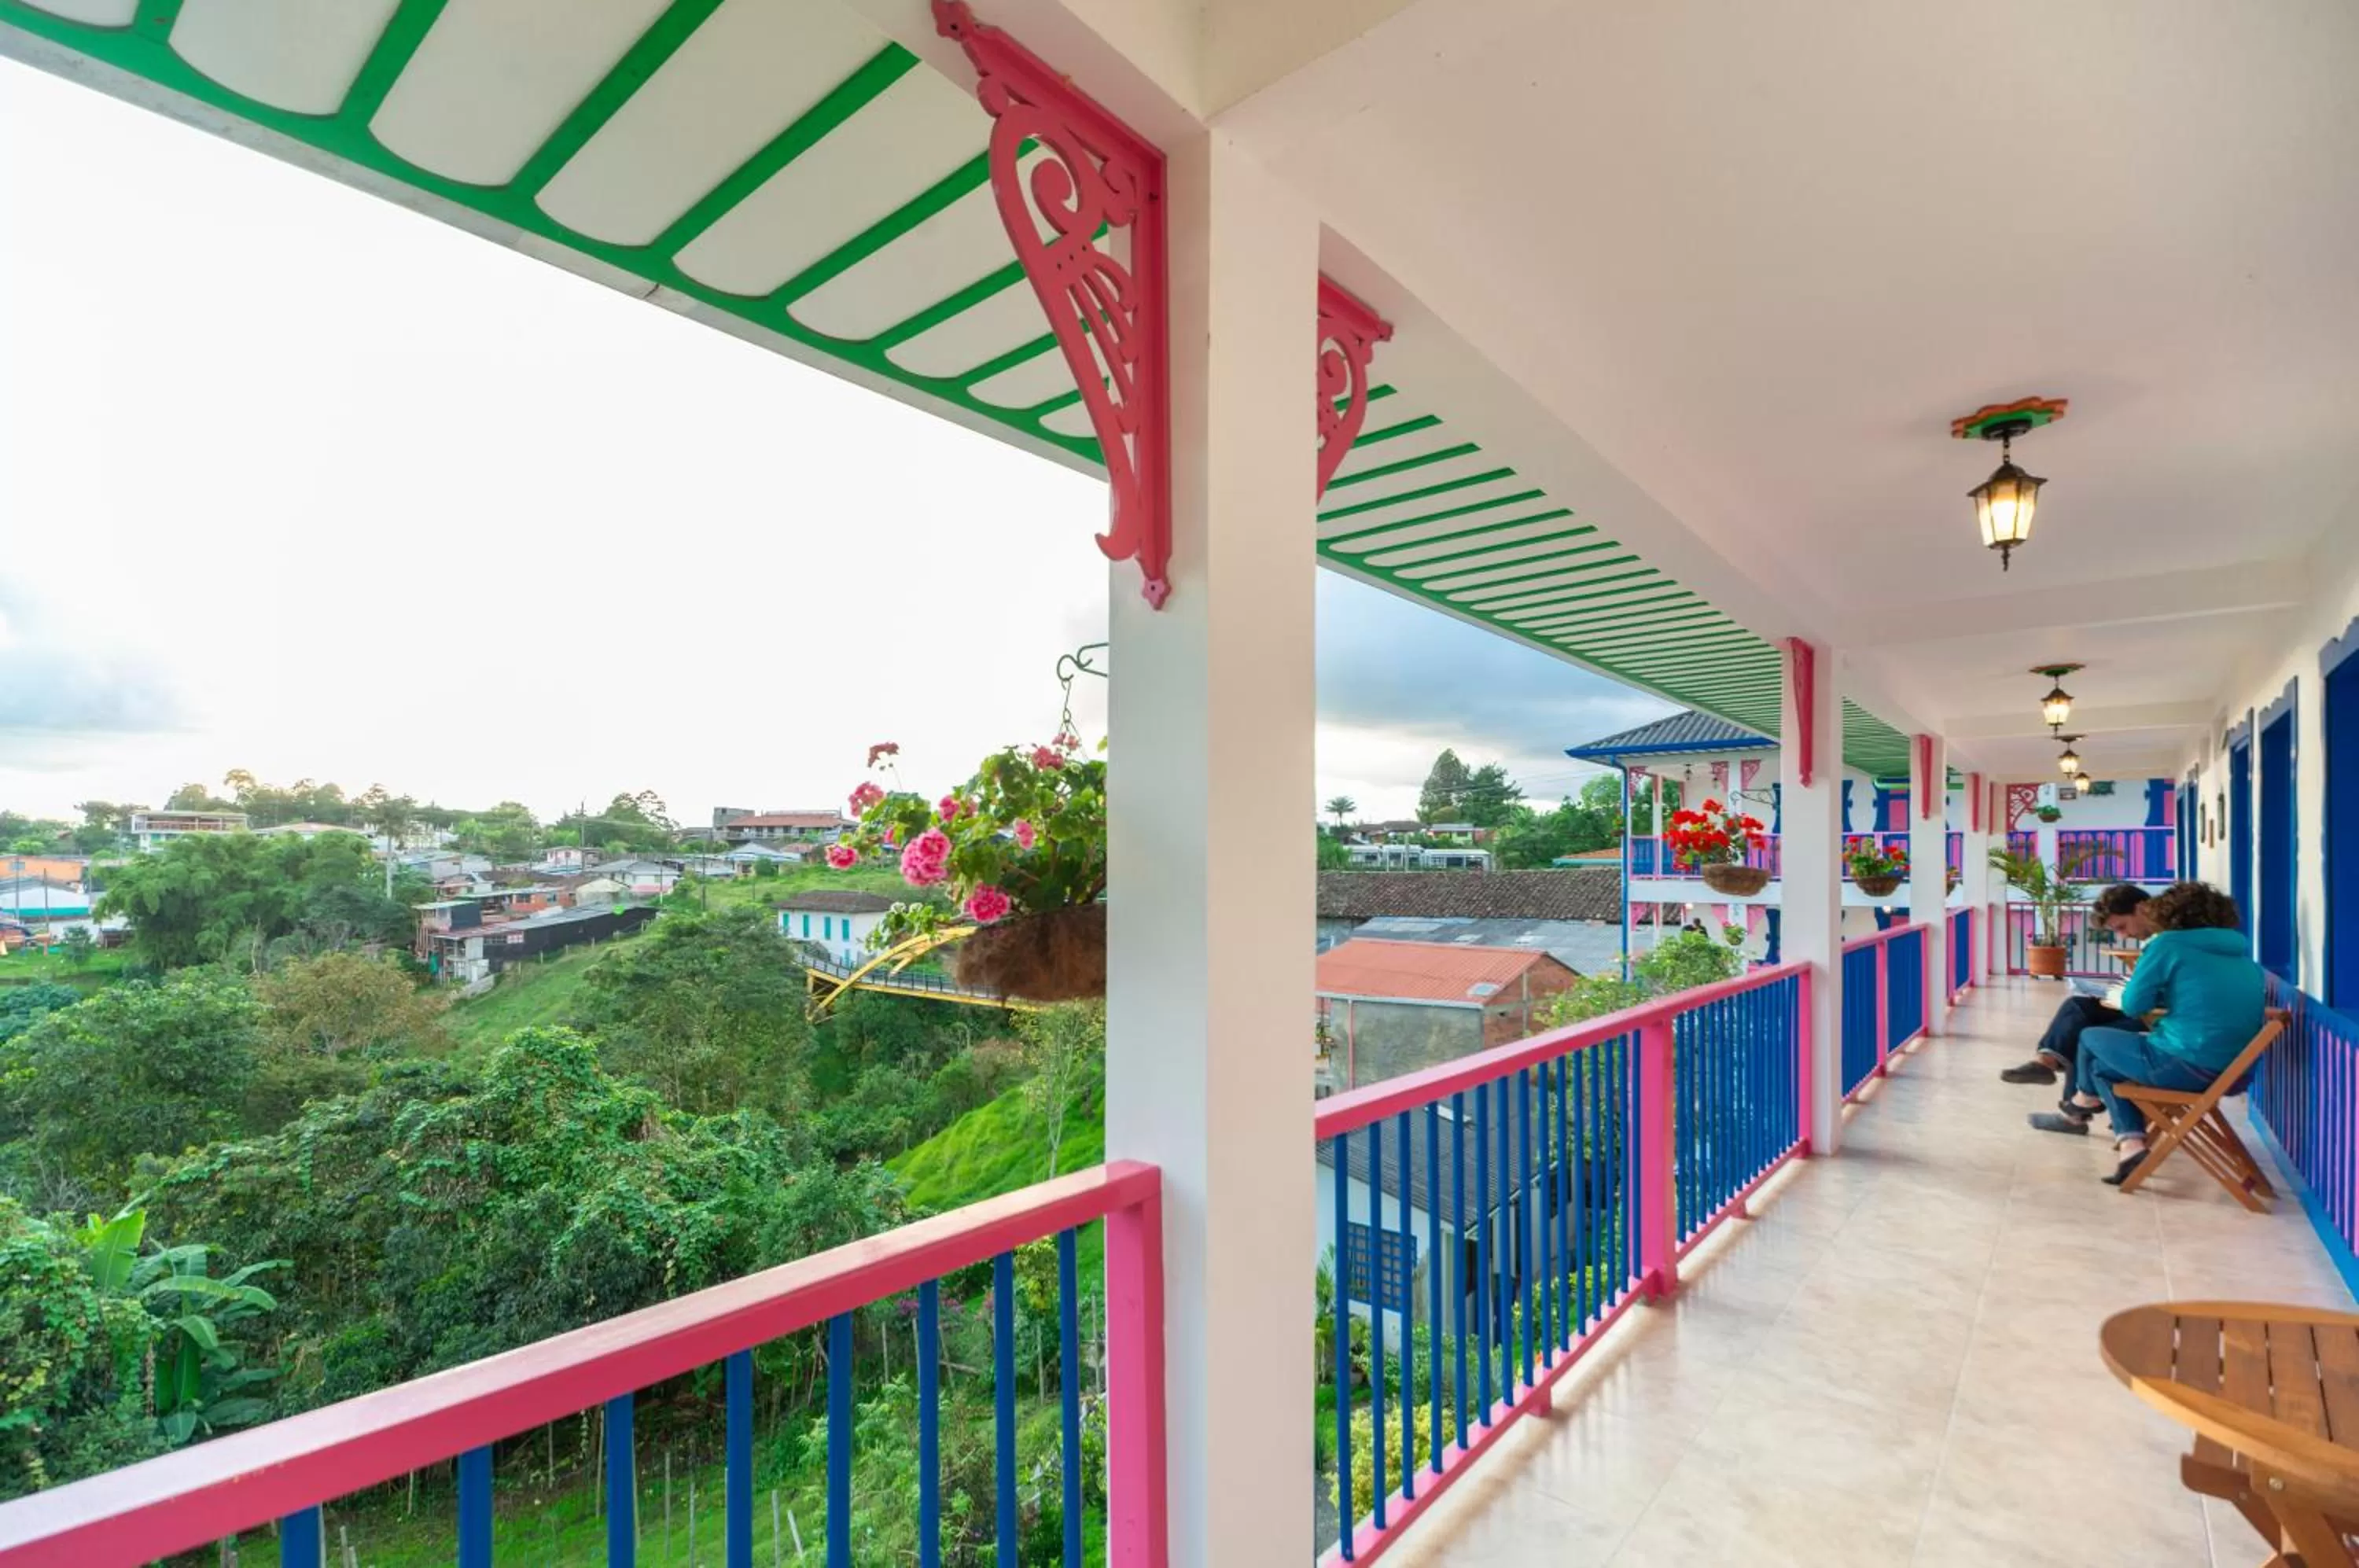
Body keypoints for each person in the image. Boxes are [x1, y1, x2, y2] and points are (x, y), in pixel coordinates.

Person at [2029, 882, 2265, 1186]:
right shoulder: (2241, 955)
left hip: (2187, 1064)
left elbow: (2133, 1004)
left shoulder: (2167, 945)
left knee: (2090, 1036)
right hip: (2234, 1073)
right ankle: (2129, 1144)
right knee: (2101, 1064)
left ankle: (2083, 1103)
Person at [1997, 884, 2158, 1084]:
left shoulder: (2164, 945)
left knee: (2083, 1033)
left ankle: (2076, 1110)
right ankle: (2045, 1063)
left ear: (2141, 908)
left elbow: (2140, 1002)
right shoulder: (2156, 941)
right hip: (2147, 1009)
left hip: (2155, 1019)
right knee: (2077, 1006)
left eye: (2122, 927)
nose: (2123, 937)